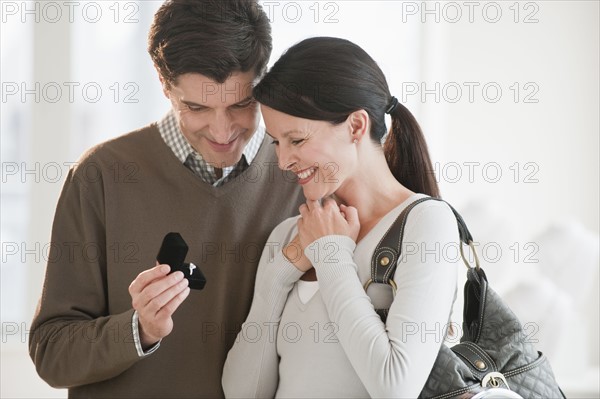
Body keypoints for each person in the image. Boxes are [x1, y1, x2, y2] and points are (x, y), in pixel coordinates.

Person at [28, 1, 303, 397]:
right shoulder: (101, 176)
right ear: (163, 83)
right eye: (197, 107)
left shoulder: (300, 176)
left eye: (241, 105)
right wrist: (138, 329)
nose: (222, 130)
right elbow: (52, 353)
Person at [222, 37, 460, 398]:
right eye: (276, 142)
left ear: (356, 127)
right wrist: (278, 275)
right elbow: (243, 394)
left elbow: (394, 386)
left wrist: (332, 255)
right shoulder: (289, 235)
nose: (284, 161)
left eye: (297, 141)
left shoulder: (425, 224)